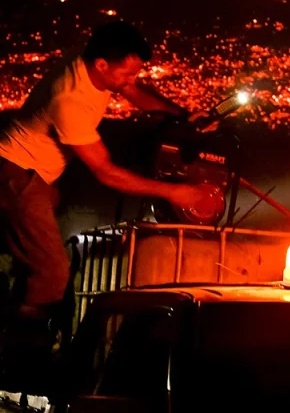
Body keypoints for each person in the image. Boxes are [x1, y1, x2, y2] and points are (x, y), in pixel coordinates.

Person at [0, 21, 213, 331]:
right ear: (101, 65)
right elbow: (106, 172)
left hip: (38, 175)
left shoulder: (90, 60)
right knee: (53, 271)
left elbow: (133, 90)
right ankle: (26, 350)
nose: (132, 79)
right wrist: (174, 192)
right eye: (127, 72)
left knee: (33, 258)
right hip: (18, 174)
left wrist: (182, 116)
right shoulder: (69, 100)